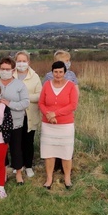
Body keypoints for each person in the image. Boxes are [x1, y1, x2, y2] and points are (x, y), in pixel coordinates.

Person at [0, 57, 29, 186]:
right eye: (2, 69)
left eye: (8, 69)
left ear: (13, 70)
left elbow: (25, 102)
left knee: (16, 148)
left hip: (15, 122)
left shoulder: (19, 85)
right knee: (1, 149)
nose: (5, 71)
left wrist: (9, 103)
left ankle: (18, 172)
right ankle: (4, 172)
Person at [39, 61, 79, 189]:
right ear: (52, 72)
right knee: (49, 152)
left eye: (60, 72)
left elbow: (73, 105)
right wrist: (48, 115)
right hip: (48, 125)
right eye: (55, 72)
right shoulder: (46, 85)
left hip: (65, 125)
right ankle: (49, 178)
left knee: (66, 152)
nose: (58, 74)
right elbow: (41, 103)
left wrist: (54, 114)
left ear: (65, 73)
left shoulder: (71, 86)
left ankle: (67, 178)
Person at [13, 50, 42, 178]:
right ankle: (17, 165)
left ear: (28, 62)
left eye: (24, 61)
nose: (21, 63)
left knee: (28, 141)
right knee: (15, 142)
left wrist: (24, 98)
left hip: (29, 115)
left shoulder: (34, 76)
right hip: (14, 115)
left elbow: (39, 95)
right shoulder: (10, 75)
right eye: (19, 61)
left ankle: (28, 166)